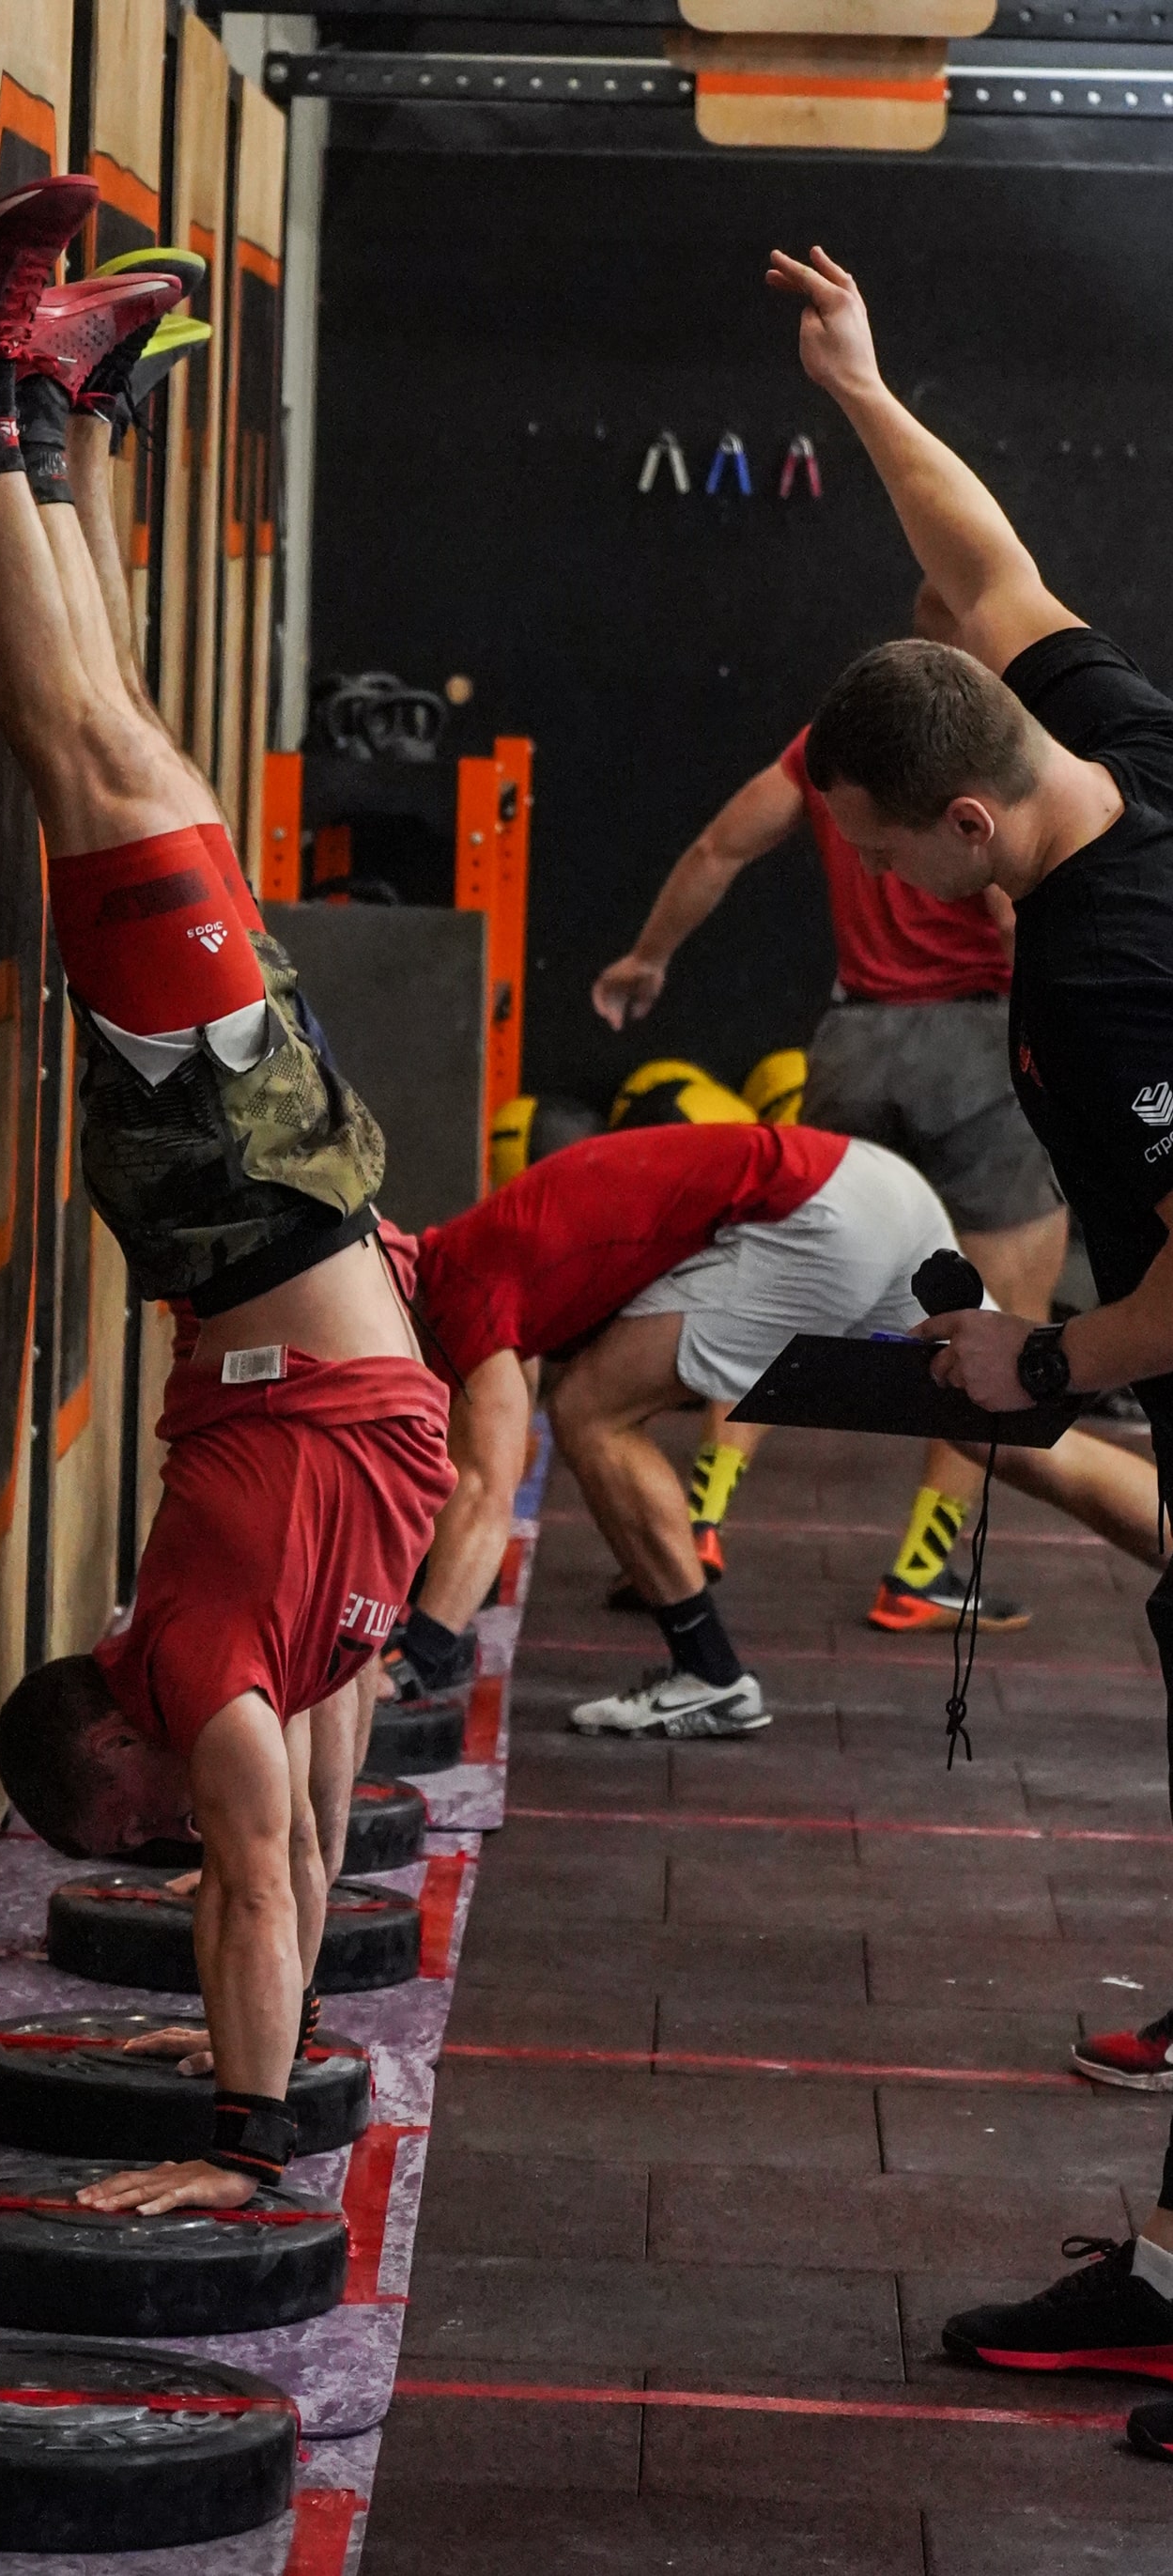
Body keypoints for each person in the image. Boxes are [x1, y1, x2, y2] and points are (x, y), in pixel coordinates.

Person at [0, 178, 455, 2216]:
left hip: (232, 1169)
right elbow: (293, 1850)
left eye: (125, 1827)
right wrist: (251, 2068)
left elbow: (250, 1881)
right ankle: (56, 417)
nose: (162, 1842)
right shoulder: (283, 1677)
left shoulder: (203, 1665)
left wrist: (239, 2146)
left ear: (109, 1751)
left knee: (82, 760)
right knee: (135, 749)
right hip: (274, 1175)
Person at [767, 238, 1173, 2460]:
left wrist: (1046, 1362)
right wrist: (856, 379)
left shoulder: (1107, 969)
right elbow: (985, 560)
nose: (916, 903)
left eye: (907, 870)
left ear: (968, 819)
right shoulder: (1113, 743)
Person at [594, 606, 1070, 1637]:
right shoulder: (998, 747)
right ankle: (921, 1572)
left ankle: (700, 1518)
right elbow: (1010, 914)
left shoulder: (834, 747)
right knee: (1003, 1321)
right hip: (978, 1050)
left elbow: (718, 847)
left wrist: (646, 958)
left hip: (853, 1044)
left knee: (788, 1297)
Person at [398, 1123, 1160, 1743]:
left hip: (815, 1223)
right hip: (878, 1193)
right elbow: (466, 1451)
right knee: (1005, 1431)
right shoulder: (464, 1255)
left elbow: (485, 1487)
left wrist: (413, 1656)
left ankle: (710, 1677)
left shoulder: (459, 1293)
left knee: (590, 1415)